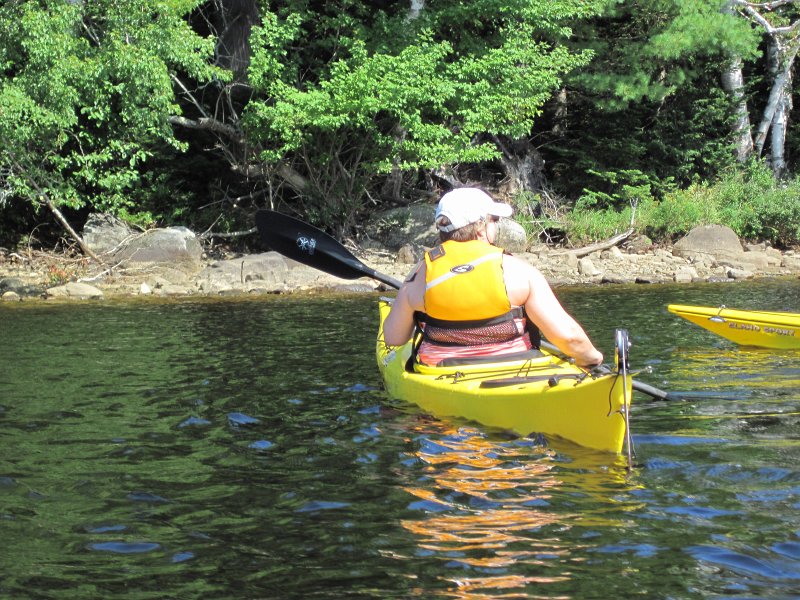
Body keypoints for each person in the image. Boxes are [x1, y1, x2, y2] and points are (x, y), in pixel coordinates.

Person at [382, 187, 604, 368]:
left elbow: (393, 338)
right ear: (480, 227)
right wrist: (592, 359)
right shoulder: (519, 272)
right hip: (515, 375)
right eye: (494, 219)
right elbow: (570, 338)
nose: (496, 225)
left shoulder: (419, 275)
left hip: (441, 374)